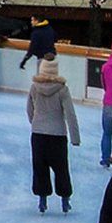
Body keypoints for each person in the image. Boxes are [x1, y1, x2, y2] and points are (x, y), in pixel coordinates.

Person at [27, 55, 81, 214]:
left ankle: (42, 200)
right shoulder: (62, 89)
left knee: (40, 167)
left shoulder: (34, 87)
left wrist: (35, 122)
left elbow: (29, 109)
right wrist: (75, 137)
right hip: (57, 135)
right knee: (61, 168)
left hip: (38, 134)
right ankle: (65, 200)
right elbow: (70, 114)